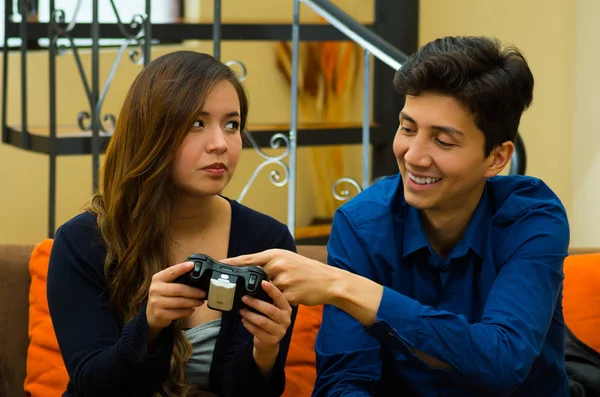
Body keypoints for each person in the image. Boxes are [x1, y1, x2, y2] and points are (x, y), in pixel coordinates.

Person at [223, 36, 570, 396]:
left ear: (497, 158)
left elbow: (503, 359)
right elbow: (345, 380)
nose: (413, 156)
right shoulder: (363, 225)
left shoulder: (531, 218)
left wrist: (350, 289)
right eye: (407, 128)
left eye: (443, 141)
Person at [47, 51, 297, 397]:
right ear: (152, 132)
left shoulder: (269, 241)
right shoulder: (82, 242)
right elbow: (91, 385)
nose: (220, 144)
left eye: (232, 124)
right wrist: (149, 327)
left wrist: (266, 353)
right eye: (197, 123)